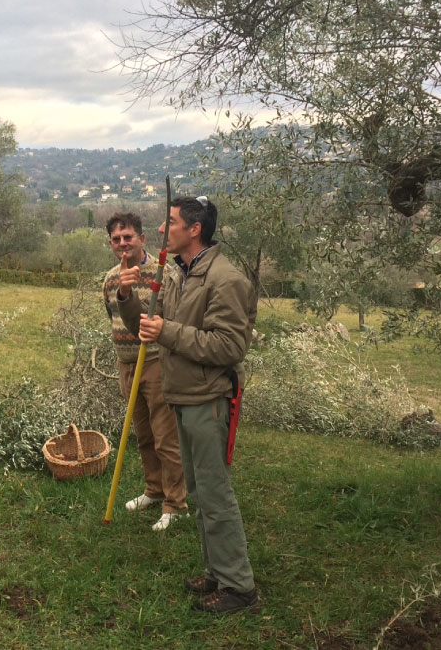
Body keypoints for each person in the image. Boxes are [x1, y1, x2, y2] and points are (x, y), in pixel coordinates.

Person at [118, 195, 259, 615]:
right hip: (182, 396)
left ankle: (240, 588)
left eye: (171, 222)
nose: (163, 229)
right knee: (199, 492)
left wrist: (168, 331)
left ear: (194, 229)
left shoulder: (225, 279)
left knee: (215, 495)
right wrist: (128, 300)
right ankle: (217, 573)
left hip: (208, 399)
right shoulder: (183, 272)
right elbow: (152, 330)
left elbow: (231, 346)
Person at [102, 212, 187, 531]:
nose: (123, 243)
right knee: (143, 434)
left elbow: (168, 320)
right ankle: (154, 490)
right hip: (126, 364)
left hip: (155, 363)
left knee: (166, 436)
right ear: (110, 243)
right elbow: (110, 314)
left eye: (128, 237)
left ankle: (175, 503)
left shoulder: (162, 273)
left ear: (142, 239)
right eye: (116, 239)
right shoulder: (111, 277)